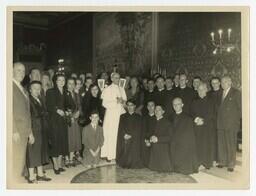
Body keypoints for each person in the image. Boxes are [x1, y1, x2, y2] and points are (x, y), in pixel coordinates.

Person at [13, 62, 35, 183]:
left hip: (24, 130)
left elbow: (27, 113)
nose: (21, 73)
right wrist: (13, 130)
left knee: (21, 159)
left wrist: (30, 132)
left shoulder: (22, 88)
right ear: (11, 71)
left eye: (23, 71)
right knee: (16, 160)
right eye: (18, 70)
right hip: (16, 131)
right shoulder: (9, 86)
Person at [26, 81, 51, 183]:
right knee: (32, 152)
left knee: (40, 151)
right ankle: (31, 176)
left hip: (42, 129)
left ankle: (40, 174)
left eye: (39, 88)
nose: (37, 90)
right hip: (34, 129)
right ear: (30, 89)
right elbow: (27, 117)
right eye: (35, 88)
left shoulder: (40, 99)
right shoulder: (28, 100)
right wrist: (29, 133)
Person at [217, 76, 241, 172]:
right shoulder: (220, 93)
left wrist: (235, 122)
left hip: (231, 124)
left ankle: (231, 163)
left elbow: (240, 109)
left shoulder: (236, 93)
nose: (223, 84)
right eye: (222, 82)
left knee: (231, 143)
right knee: (222, 143)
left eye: (225, 82)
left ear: (230, 82)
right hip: (221, 123)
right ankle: (222, 161)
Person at [101, 72, 127, 162]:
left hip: (119, 114)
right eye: (115, 78)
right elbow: (104, 103)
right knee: (110, 134)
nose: (117, 79)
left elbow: (124, 102)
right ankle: (109, 154)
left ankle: (117, 154)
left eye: (118, 78)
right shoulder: (108, 89)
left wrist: (122, 102)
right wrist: (116, 102)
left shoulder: (121, 89)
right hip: (111, 115)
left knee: (118, 134)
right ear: (111, 79)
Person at [46, 73, 69, 174]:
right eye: (59, 80)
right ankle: (55, 165)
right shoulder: (50, 91)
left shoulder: (66, 92)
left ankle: (59, 165)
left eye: (63, 80)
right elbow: (49, 105)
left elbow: (69, 105)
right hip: (54, 121)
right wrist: (57, 110)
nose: (61, 82)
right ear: (55, 81)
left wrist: (68, 111)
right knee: (55, 143)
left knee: (62, 142)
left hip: (63, 121)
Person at [190, 83, 215, 169]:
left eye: (202, 89)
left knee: (207, 144)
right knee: (198, 144)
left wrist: (203, 121)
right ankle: (198, 161)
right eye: (199, 90)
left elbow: (212, 114)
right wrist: (196, 119)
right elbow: (191, 113)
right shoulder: (194, 100)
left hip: (207, 126)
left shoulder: (211, 100)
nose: (200, 91)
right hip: (197, 126)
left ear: (206, 90)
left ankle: (207, 162)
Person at [171, 98, 198, 175]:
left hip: (183, 144)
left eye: (178, 104)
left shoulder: (188, 118)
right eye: (174, 105)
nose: (176, 106)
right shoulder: (170, 117)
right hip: (173, 143)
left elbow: (189, 136)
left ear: (182, 105)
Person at [116, 99, 143, 169]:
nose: (129, 107)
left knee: (134, 144)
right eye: (128, 105)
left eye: (131, 105)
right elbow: (120, 128)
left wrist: (131, 135)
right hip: (125, 137)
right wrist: (124, 134)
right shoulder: (122, 116)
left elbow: (138, 129)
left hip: (135, 138)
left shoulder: (139, 117)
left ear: (135, 106)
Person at [148, 105, 173, 172]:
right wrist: (150, 139)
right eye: (155, 110)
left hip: (163, 153)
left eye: (159, 110)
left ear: (163, 111)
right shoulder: (152, 121)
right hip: (153, 154)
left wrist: (158, 139)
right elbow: (150, 133)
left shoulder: (168, 123)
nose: (156, 111)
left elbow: (170, 137)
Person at [64, 78, 82, 167]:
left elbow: (79, 106)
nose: (71, 85)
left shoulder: (76, 94)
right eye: (69, 83)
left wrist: (78, 112)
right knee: (68, 139)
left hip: (75, 120)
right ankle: (67, 159)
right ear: (66, 84)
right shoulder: (64, 94)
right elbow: (63, 107)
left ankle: (71, 158)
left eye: (73, 84)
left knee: (74, 139)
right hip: (67, 120)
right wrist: (70, 116)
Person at [208, 77, 223, 161]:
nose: (214, 84)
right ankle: (213, 157)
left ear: (219, 83)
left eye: (216, 83)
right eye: (213, 83)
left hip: (221, 120)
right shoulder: (208, 93)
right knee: (212, 139)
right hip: (211, 120)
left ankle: (220, 158)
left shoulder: (223, 92)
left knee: (220, 140)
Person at [141, 100, 157, 167]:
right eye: (149, 106)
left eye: (152, 105)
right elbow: (142, 131)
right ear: (147, 107)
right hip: (146, 140)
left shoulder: (157, 117)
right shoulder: (144, 118)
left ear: (155, 107)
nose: (150, 107)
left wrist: (151, 140)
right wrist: (146, 140)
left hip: (155, 140)